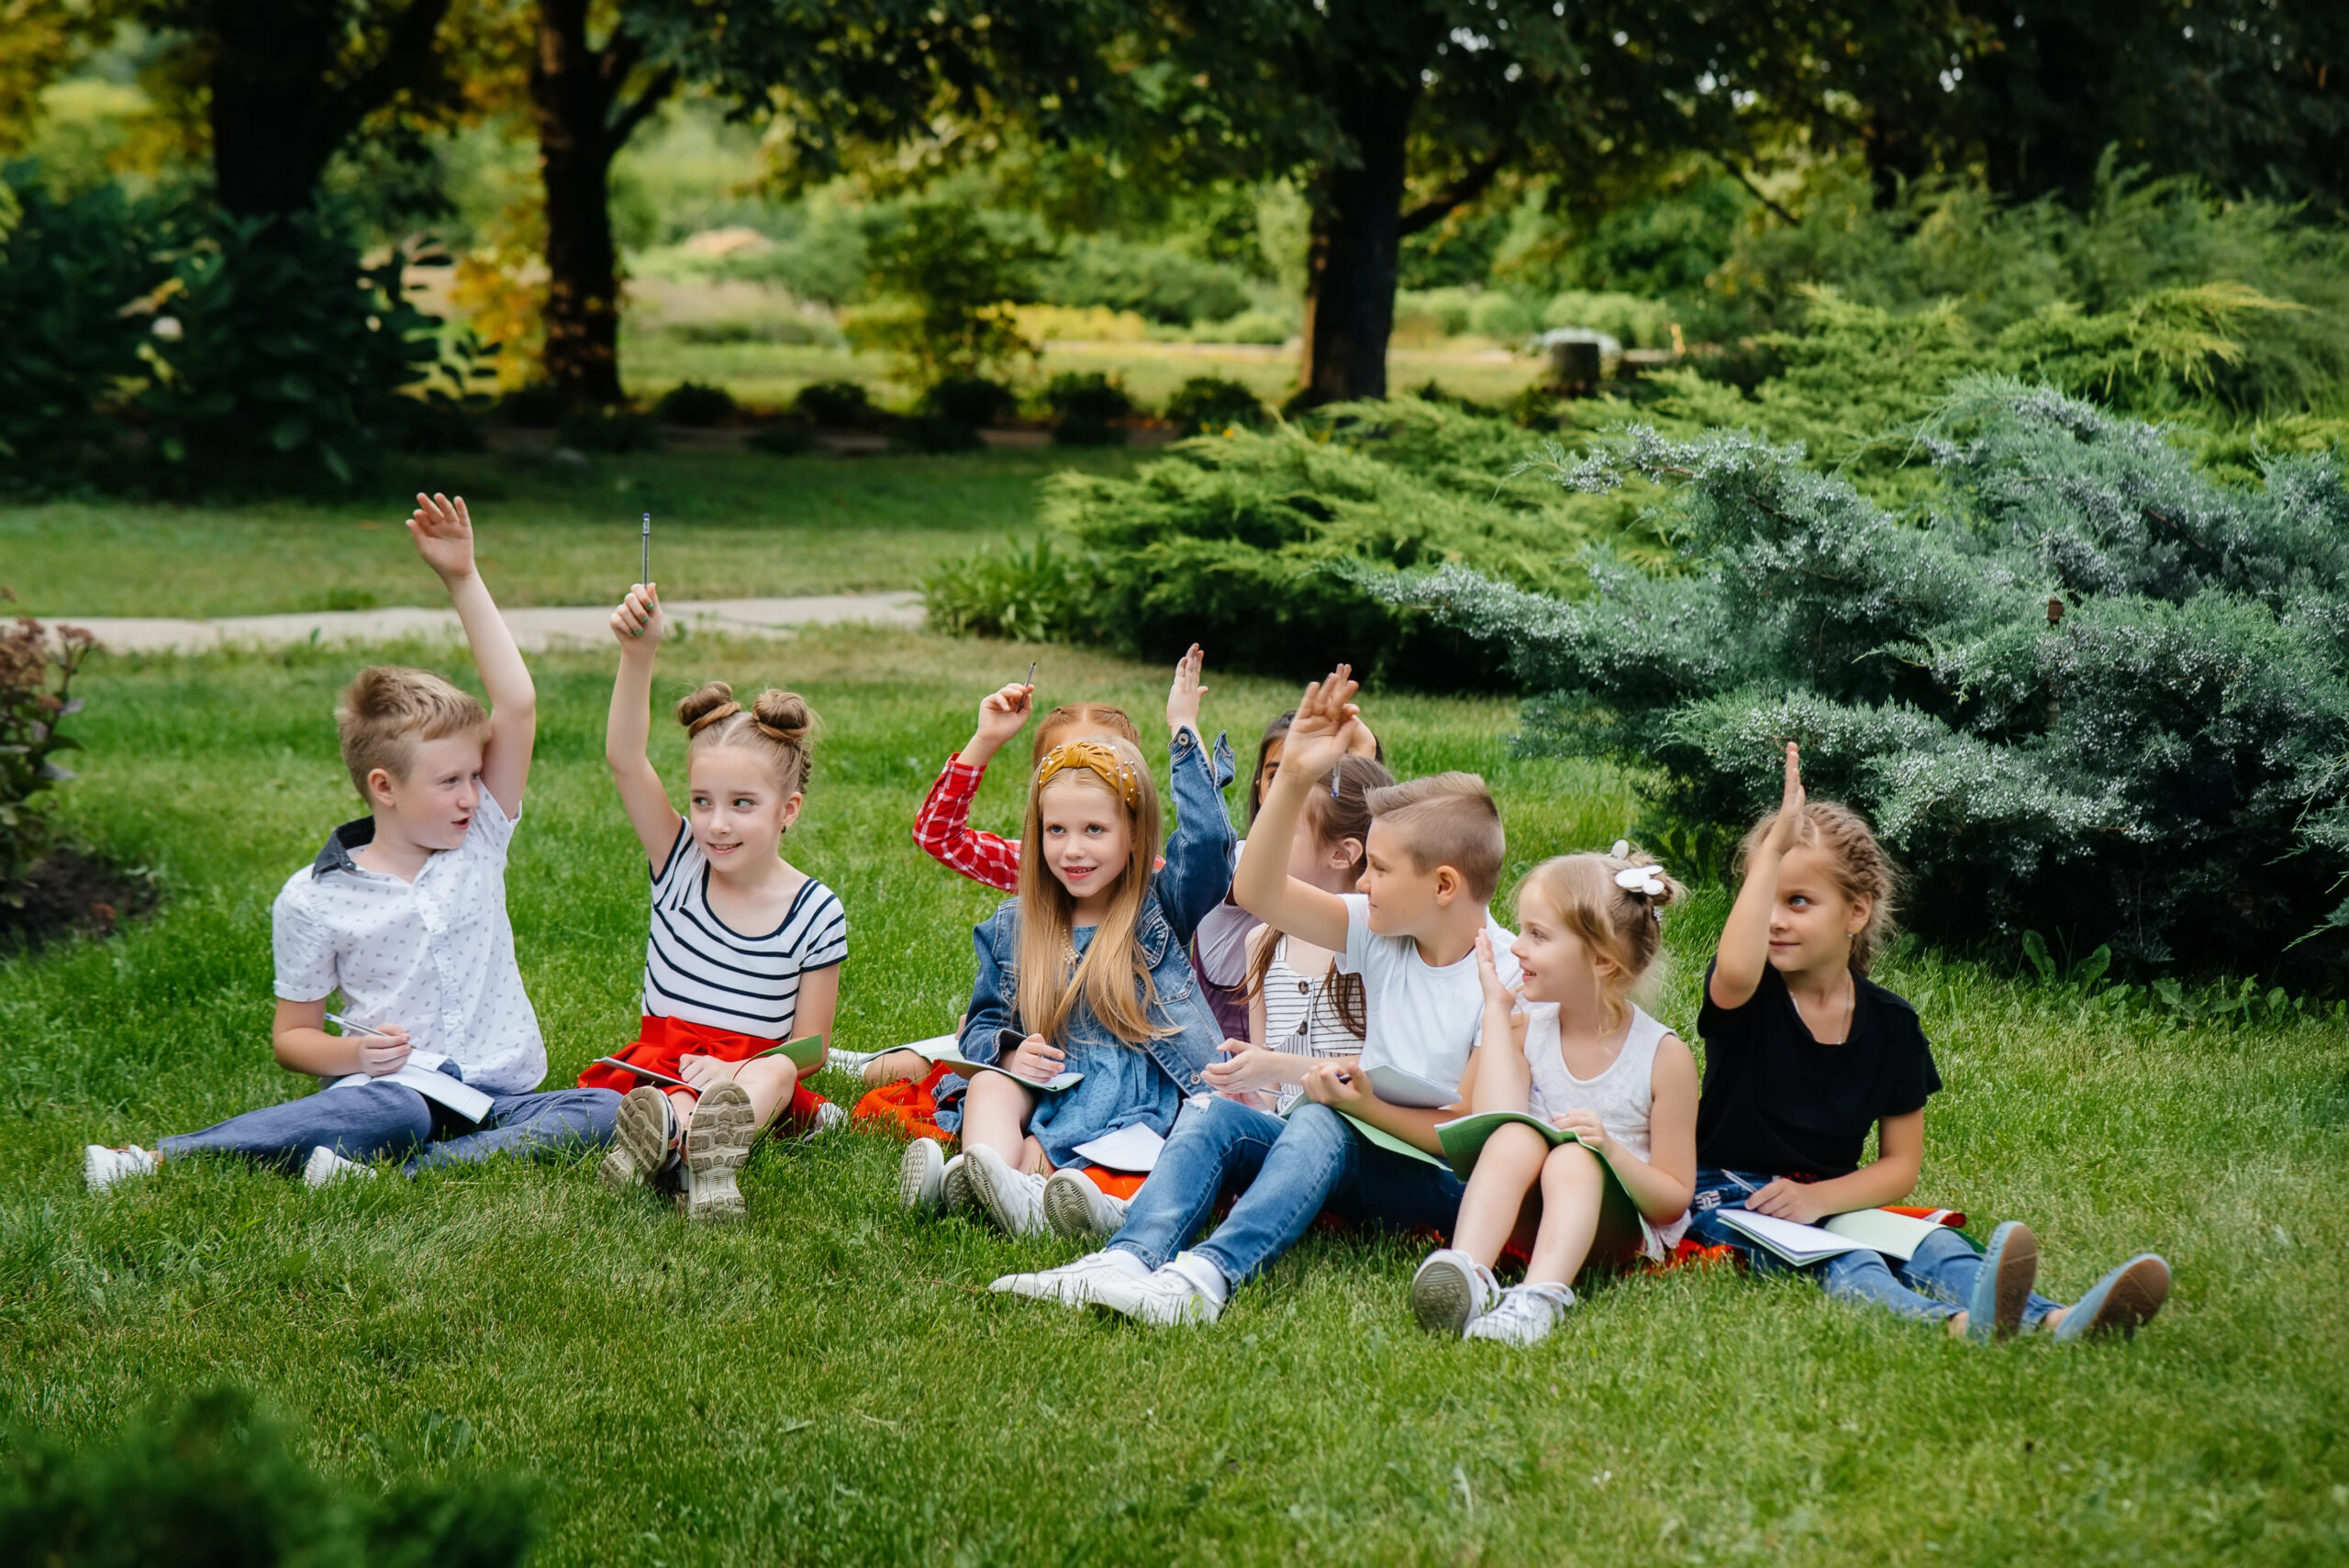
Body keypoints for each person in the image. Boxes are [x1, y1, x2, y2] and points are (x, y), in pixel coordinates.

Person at [83, 493, 618, 1192]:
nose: (470, 793)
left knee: (602, 1110)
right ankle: (155, 1158)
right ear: (384, 787)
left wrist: (463, 576)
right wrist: (357, 1054)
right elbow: (292, 1038)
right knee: (394, 1115)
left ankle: (392, 1174)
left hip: (498, 1097)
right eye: (450, 779)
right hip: (390, 1091)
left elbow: (516, 704)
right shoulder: (315, 897)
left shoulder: (480, 835)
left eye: (473, 775)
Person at [994, 664, 1520, 1325]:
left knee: (1322, 1118)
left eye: (1379, 869)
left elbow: (1479, 1138)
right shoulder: (1383, 927)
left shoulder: (1506, 977)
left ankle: (1203, 1279)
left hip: (1433, 1179)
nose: (1364, 880)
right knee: (1215, 1112)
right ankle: (1128, 1256)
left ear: (1443, 886)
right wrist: (1296, 775)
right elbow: (1257, 889)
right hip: (1349, 1142)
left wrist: (1360, 1103)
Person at [1687, 742, 2171, 1342]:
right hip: (1727, 1197)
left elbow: (1900, 1166)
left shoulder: (1893, 1024)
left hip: (1827, 1199)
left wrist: (1822, 1201)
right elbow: (1734, 969)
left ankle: (2057, 1319)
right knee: (1850, 1261)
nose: (1775, 919)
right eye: (1767, 898)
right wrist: (1773, 850)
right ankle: (1960, 1325)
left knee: (1938, 1246)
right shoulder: (1749, 994)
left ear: (1856, 911)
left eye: (1799, 901)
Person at [845, 647, 1234, 1093]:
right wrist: (985, 740)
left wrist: (1184, 732)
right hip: (1034, 1050)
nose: (1081, 771)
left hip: (1128, 1064)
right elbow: (940, 837)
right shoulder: (1034, 864)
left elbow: (1207, 843)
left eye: (1103, 760)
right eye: (1064, 762)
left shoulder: (1155, 886)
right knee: (891, 1073)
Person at [898, 725, 1234, 1235]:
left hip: (1129, 1097)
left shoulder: (1158, 910)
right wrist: (1011, 1054)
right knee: (990, 1084)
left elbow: (1209, 845)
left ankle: (976, 1188)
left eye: (1094, 830)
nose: (1072, 850)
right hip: (1049, 1083)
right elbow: (984, 1022)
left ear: (1135, 836)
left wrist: (1183, 735)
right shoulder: (1017, 923)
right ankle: (978, 1172)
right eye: (1056, 831)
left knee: (1038, 1158)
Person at [582, 583, 848, 1222]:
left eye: (742, 804)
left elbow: (810, 1046)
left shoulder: (815, 910)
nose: (717, 823)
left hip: (752, 1075)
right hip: (666, 1064)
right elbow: (624, 757)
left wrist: (733, 1072)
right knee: (665, 1097)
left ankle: (706, 1151)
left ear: (789, 811)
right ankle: (672, 1141)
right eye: (702, 801)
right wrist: (637, 655)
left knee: (777, 1077)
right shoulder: (677, 862)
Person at [1408, 849, 1698, 1346]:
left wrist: (1609, 1151)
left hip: (1613, 1232)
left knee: (1573, 1160)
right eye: (1521, 930)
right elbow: (1493, 1120)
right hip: (1529, 1217)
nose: (1516, 948)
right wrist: (1497, 1012)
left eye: (1538, 935)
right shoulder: (1527, 1027)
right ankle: (1469, 1273)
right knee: (1518, 1136)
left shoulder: (1663, 1056)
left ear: (1602, 960)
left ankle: (1538, 1298)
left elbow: (1673, 1200)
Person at [1189, 710, 1384, 1040]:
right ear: (1261, 789)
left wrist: (1364, 754)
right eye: (1277, 779)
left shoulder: (1378, 921)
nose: (1287, 792)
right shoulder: (1260, 933)